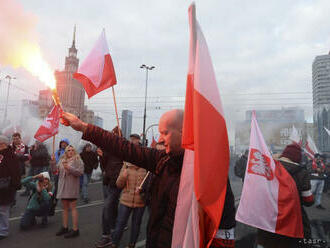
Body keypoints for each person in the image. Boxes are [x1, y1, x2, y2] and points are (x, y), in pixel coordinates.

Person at [61, 109, 236, 248]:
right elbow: (124, 147)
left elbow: (223, 231)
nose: (160, 138)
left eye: (165, 132)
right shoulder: (163, 161)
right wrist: (84, 127)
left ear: (184, 132)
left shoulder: (209, 174)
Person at [257, 144, 314, 248]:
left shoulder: (270, 167)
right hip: (293, 219)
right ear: (297, 158)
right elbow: (308, 200)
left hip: (269, 217)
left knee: (267, 242)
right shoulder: (302, 172)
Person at [111, 134, 147, 248]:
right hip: (125, 200)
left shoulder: (146, 166)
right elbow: (119, 184)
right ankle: (114, 243)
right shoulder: (126, 165)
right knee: (120, 224)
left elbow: (150, 185)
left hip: (140, 202)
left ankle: (132, 244)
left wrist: (143, 189)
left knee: (136, 225)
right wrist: (123, 176)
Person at [95, 127, 124, 248]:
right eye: (112, 134)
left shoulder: (124, 148)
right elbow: (104, 166)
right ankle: (114, 227)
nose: (113, 136)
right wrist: (101, 156)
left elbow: (124, 164)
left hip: (115, 182)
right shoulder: (108, 147)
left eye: (115, 134)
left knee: (106, 207)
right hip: (107, 181)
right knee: (111, 206)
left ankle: (106, 236)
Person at [55, 145, 84, 238]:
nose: (70, 152)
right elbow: (55, 171)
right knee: (65, 208)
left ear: (74, 151)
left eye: (72, 150)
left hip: (71, 187)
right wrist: (52, 162)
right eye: (68, 150)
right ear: (66, 152)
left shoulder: (78, 160)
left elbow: (80, 173)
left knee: (73, 208)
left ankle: (75, 229)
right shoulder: (62, 160)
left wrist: (69, 168)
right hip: (63, 188)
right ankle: (65, 227)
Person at [0, 135, 21, 239]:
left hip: (6, 187)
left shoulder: (11, 156)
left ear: (3, 144)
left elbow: (16, 172)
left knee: (3, 210)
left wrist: (14, 186)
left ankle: (3, 231)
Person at [11, 133, 30, 200]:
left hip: (20, 167)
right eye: (14, 139)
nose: (15, 140)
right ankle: (12, 199)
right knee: (11, 185)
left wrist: (18, 156)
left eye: (17, 139)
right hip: (11, 168)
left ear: (20, 139)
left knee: (18, 184)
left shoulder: (25, 147)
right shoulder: (10, 147)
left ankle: (13, 198)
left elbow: (27, 156)